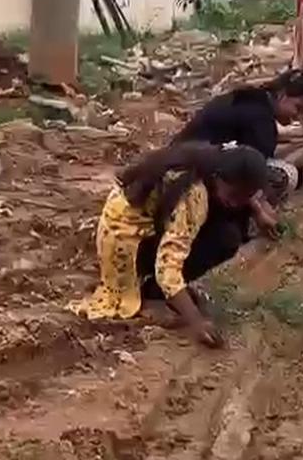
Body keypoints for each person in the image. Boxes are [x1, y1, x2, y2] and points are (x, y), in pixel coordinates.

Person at [68, 143, 270, 348]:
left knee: (226, 232)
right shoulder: (194, 195)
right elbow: (168, 267)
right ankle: (152, 293)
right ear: (220, 177)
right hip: (125, 243)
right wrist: (196, 321)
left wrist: (258, 210)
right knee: (224, 239)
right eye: (234, 195)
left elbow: (241, 194)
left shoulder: (210, 159)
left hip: (138, 228)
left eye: (244, 197)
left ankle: (164, 292)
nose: (236, 203)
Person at [173, 69, 303, 220]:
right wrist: (259, 211)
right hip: (195, 173)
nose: (298, 117)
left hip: (182, 158)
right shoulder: (260, 118)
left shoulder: (254, 99)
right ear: (282, 94)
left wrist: (292, 137)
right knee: (284, 175)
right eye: (298, 108)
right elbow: (250, 169)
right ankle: (243, 218)